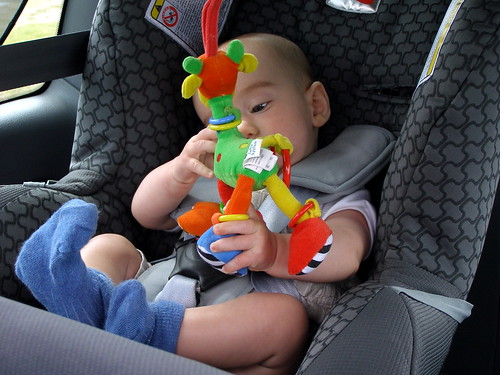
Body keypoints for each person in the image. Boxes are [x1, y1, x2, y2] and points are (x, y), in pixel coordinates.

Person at [15, 33, 375, 375]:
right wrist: (178, 174)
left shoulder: (337, 192)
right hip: (157, 291)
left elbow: (346, 253)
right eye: (222, 122)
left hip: (228, 348)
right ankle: (86, 303)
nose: (245, 128)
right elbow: (146, 214)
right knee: (111, 247)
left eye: (259, 105)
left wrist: (274, 251)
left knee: (285, 321)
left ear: (315, 105)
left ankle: (106, 328)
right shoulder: (210, 179)